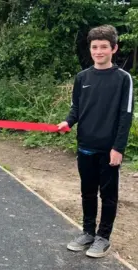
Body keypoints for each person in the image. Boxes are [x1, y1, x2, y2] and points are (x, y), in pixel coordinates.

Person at [57, 25, 133, 258]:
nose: (98, 51)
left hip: (109, 149)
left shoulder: (123, 79)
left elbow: (126, 115)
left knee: (108, 195)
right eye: (94, 47)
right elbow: (76, 109)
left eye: (103, 47)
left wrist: (118, 148)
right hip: (85, 146)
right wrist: (67, 123)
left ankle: (103, 237)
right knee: (87, 192)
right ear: (90, 49)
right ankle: (88, 232)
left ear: (114, 48)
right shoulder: (82, 77)